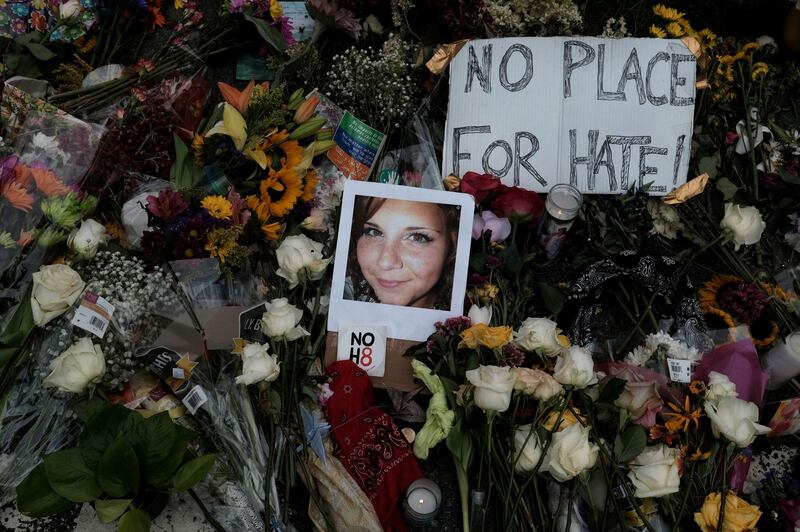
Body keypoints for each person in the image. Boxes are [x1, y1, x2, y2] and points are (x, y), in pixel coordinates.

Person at [346, 196, 459, 309]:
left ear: (452, 244)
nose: (386, 263)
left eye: (417, 238)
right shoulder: (340, 294)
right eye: (374, 232)